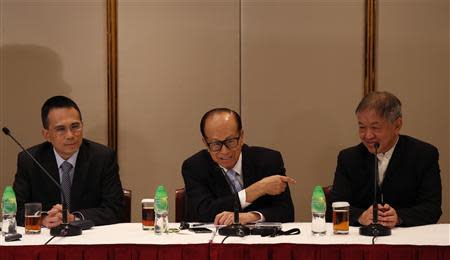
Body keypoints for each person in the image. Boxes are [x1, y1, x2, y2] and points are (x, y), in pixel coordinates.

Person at [328, 91, 442, 227]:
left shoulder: (423, 155)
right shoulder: (348, 158)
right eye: (362, 127)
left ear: (397, 125)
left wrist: (399, 217)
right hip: (359, 239)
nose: (367, 135)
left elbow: (432, 209)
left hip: (406, 238)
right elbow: (333, 209)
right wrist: (360, 216)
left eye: (375, 127)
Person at [13, 96, 124, 228]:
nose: (70, 135)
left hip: (89, 238)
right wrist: (42, 219)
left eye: (75, 126)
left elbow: (115, 210)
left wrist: (74, 218)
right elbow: (15, 210)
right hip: (46, 239)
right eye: (61, 129)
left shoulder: (103, 158)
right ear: (47, 135)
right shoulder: (30, 160)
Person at [182, 108, 296, 225]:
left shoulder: (268, 160)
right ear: (205, 143)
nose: (225, 151)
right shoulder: (195, 167)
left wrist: (250, 217)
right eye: (216, 144)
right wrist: (257, 189)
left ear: (241, 137)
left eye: (230, 141)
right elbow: (204, 213)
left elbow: (286, 213)